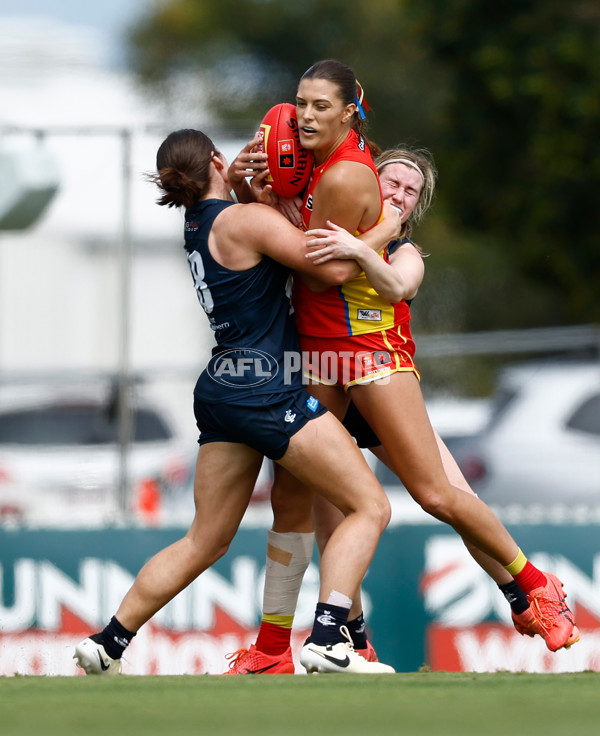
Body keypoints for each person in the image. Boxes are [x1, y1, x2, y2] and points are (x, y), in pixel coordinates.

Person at [223, 59, 579, 674]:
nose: (396, 194)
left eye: (410, 193)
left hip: (374, 365)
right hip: (320, 361)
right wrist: (256, 186)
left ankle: (533, 587)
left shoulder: (397, 240)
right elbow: (299, 231)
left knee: (439, 493)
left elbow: (372, 276)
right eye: (393, 183)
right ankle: (293, 644)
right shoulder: (324, 181)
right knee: (298, 498)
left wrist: (357, 234)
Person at [73, 127, 405, 676]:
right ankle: (328, 640)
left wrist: (253, 190)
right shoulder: (241, 220)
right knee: (371, 506)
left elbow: (264, 242)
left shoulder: (200, 223)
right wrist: (386, 229)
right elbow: (326, 263)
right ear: (216, 160)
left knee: (204, 539)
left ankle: (108, 642)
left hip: (224, 386)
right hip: (266, 387)